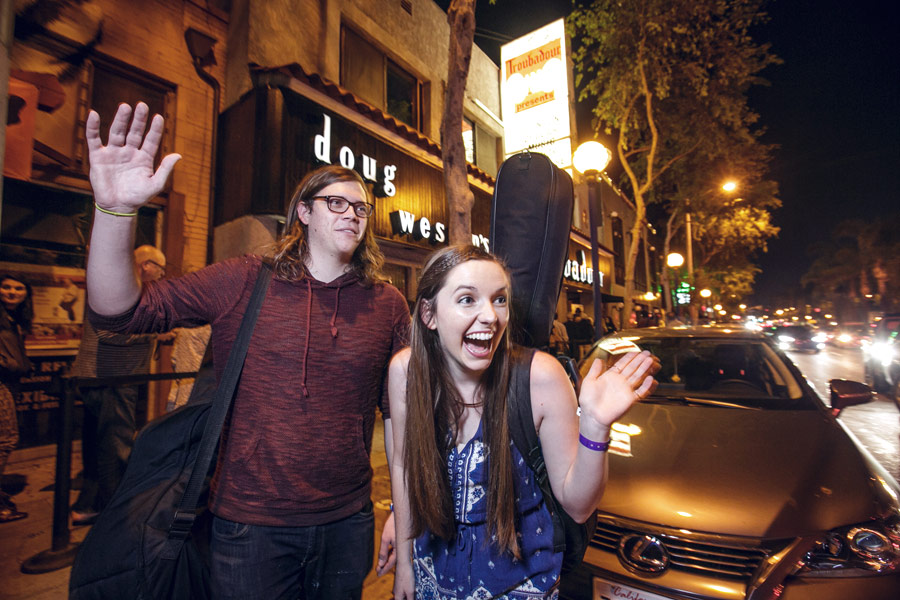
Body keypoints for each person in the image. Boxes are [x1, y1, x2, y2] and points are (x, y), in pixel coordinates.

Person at [82, 102, 410, 599]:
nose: (353, 214)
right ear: (303, 211)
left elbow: (403, 420)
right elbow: (120, 313)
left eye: (361, 207)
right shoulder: (243, 279)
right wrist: (116, 210)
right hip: (249, 527)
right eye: (337, 203)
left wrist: (403, 515)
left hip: (348, 523)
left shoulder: (387, 304)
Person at [388, 245, 659, 600]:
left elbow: (578, 506)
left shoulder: (539, 377)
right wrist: (406, 567)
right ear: (429, 314)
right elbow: (403, 466)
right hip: (431, 574)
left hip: (520, 583)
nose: (490, 316)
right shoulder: (406, 371)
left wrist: (594, 425)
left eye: (499, 299)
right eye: (467, 299)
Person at [70, 245, 170, 526]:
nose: (161, 276)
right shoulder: (122, 288)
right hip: (112, 377)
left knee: (97, 444)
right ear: (146, 266)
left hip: (103, 377)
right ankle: (115, 515)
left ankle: (90, 504)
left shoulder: (112, 283)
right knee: (116, 445)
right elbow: (109, 331)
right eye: (160, 269)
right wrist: (154, 330)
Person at [0, 275, 34, 523]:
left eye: (18, 287)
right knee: (5, 439)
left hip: (10, 381)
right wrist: (11, 364)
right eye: (6, 286)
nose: (12, 292)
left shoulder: (15, 319)